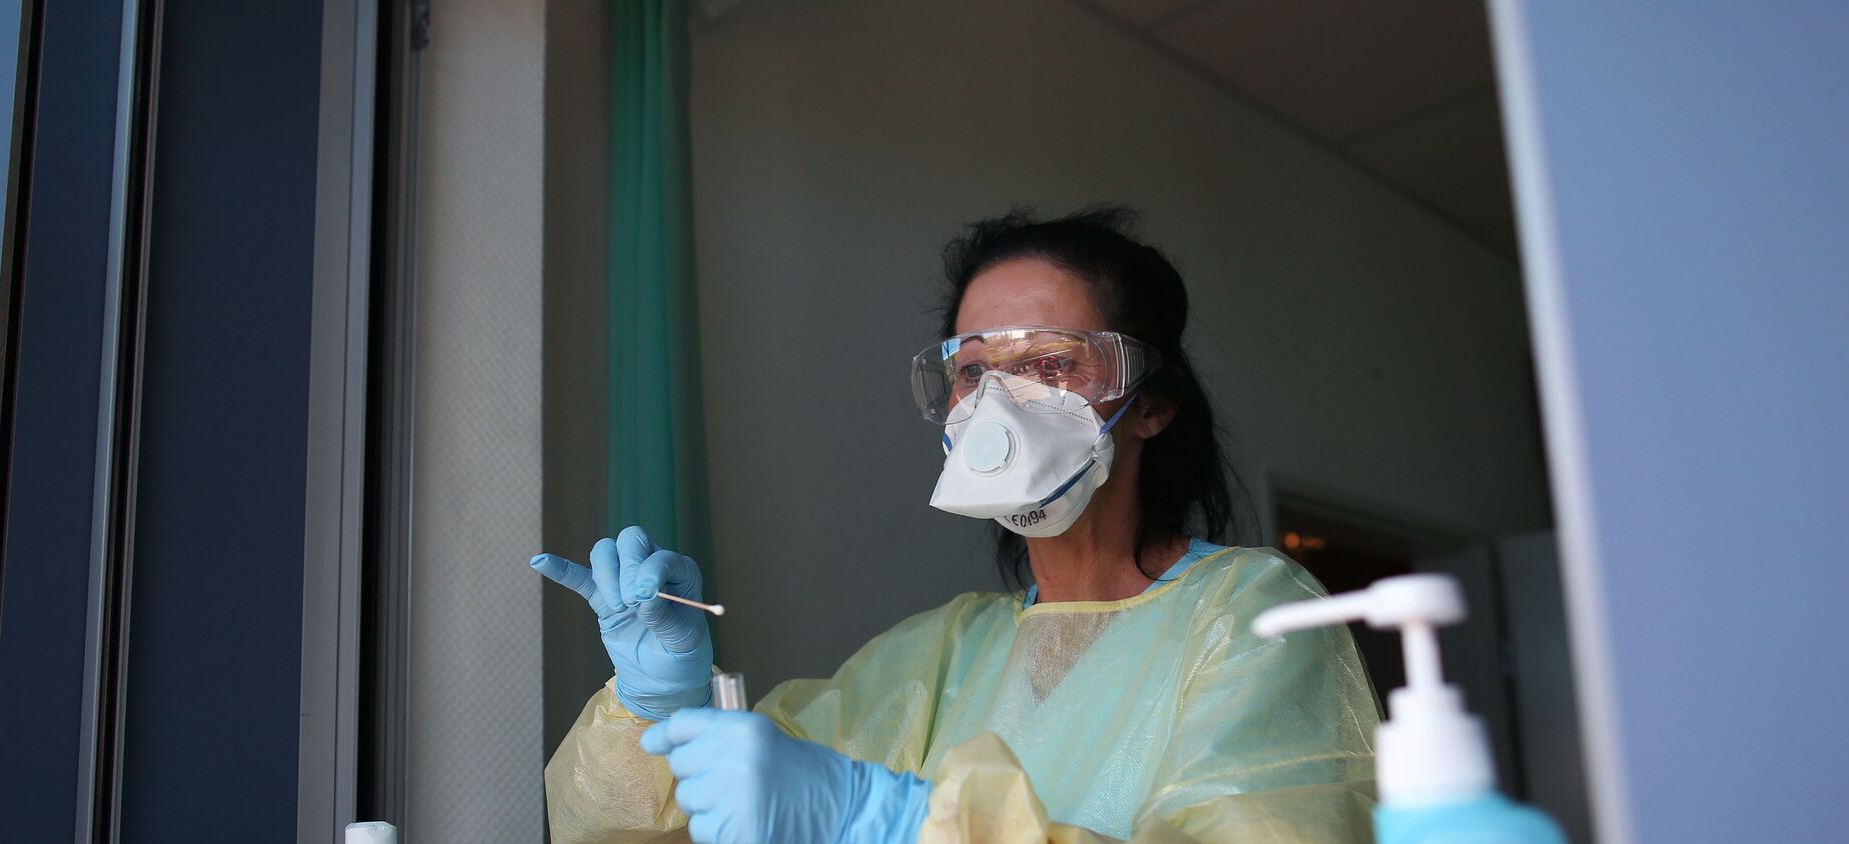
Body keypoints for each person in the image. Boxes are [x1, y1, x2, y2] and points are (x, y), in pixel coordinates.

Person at [531, 207, 1378, 843]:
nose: (999, 401)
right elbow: (654, 834)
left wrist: (899, 824)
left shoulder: (1251, 618)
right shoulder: (936, 656)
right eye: (973, 369)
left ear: (1150, 402)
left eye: (1050, 361)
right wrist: (662, 713)